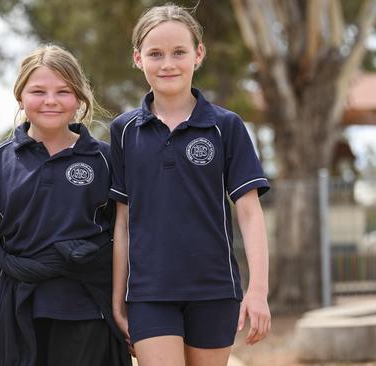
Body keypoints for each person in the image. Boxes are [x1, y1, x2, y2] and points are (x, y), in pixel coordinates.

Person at [110, 4, 272, 366]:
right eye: (155, 54)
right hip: (149, 294)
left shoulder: (226, 127)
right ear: (138, 58)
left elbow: (249, 212)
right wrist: (117, 298)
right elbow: (121, 221)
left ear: (198, 54)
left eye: (179, 52)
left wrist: (258, 291)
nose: (167, 63)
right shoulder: (123, 131)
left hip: (214, 291)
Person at [0, 44, 132, 366]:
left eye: (63, 91)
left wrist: (124, 307)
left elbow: (125, 238)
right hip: (16, 312)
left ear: (80, 98)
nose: (50, 100)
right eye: (38, 91)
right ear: (20, 96)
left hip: (89, 311)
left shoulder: (107, 160)